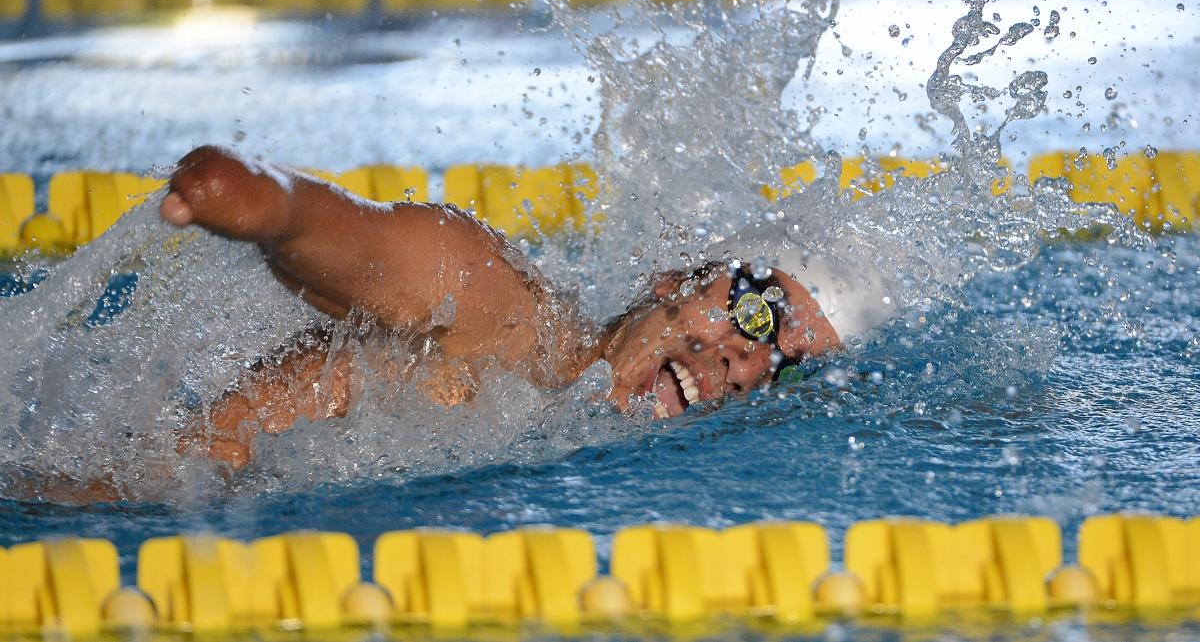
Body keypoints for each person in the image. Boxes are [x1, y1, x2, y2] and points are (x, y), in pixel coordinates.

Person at [164, 146, 895, 470]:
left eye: (790, 370)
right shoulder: (505, 320)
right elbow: (367, 247)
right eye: (760, 311)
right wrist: (264, 206)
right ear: (675, 277)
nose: (749, 362)